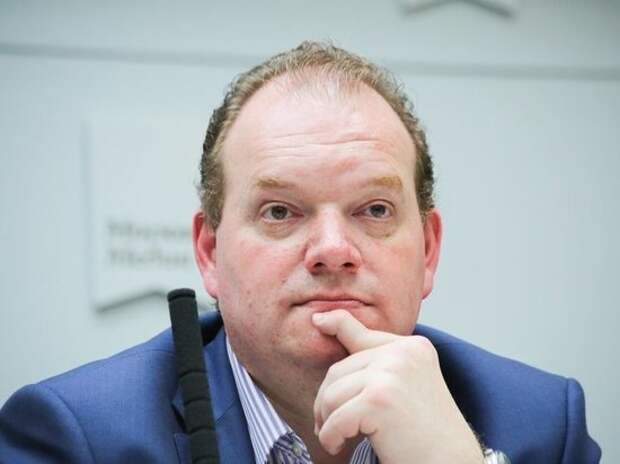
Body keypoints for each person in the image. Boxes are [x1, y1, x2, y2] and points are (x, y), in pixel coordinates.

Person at [0, 42, 600, 464]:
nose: (333, 252)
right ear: (209, 252)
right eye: (280, 212)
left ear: (429, 251)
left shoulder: (542, 425)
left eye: (375, 210)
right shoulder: (77, 436)